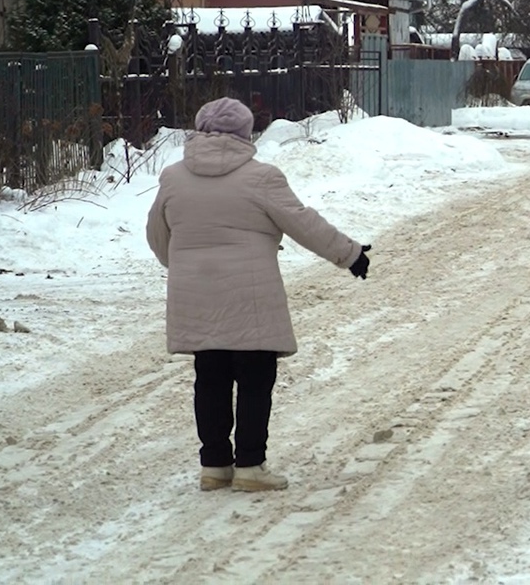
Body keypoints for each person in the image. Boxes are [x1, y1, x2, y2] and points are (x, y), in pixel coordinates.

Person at [145, 97, 372, 493]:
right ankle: (250, 466)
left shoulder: (173, 178)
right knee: (254, 378)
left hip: (195, 295)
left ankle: (214, 466)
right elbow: (303, 223)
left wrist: (185, 268)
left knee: (210, 377)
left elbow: (157, 236)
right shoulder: (261, 177)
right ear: (245, 134)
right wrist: (349, 254)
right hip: (251, 296)